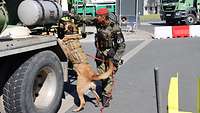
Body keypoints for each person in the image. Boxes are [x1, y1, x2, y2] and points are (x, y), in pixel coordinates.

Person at [71, 8, 126, 107]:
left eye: (99, 16)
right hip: (100, 54)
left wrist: (116, 58)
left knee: (109, 75)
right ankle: (105, 90)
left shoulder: (115, 28)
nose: (96, 17)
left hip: (111, 55)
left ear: (104, 17)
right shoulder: (98, 22)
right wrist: (73, 16)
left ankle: (106, 96)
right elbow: (85, 19)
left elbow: (122, 45)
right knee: (102, 75)